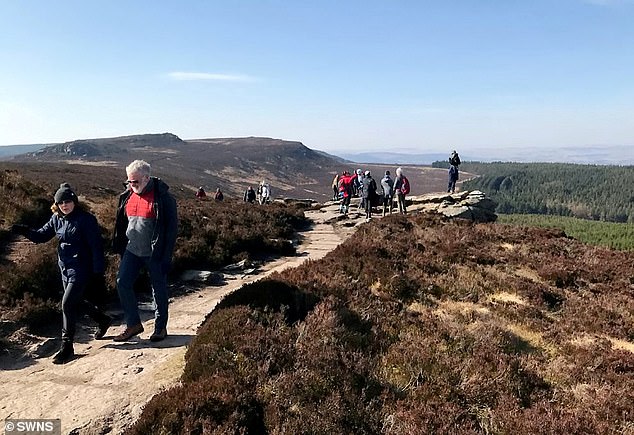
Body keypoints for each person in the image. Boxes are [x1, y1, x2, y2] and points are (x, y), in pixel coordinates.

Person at [11, 183, 111, 364]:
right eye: (60, 202)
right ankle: (103, 320)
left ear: (74, 201)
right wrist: (24, 230)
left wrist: (98, 273)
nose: (65, 205)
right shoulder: (56, 218)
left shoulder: (86, 220)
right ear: (56, 204)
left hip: (82, 267)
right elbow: (41, 236)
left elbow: (96, 246)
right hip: (65, 267)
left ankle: (67, 347)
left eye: (68, 201)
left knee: (66, 304)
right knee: (76, 301)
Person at [112, 160, 178, 342]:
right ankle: (133, 324)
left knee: (158, 289)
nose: (132, 185)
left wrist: (166, 256)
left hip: (154, 252)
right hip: (132, 250)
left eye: (135, 182)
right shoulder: (127, 196)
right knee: (122, 282)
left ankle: (160, 328)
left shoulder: (164, 198)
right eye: (129, 182)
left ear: (147, 178)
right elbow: (122, 223)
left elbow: (172, 230)